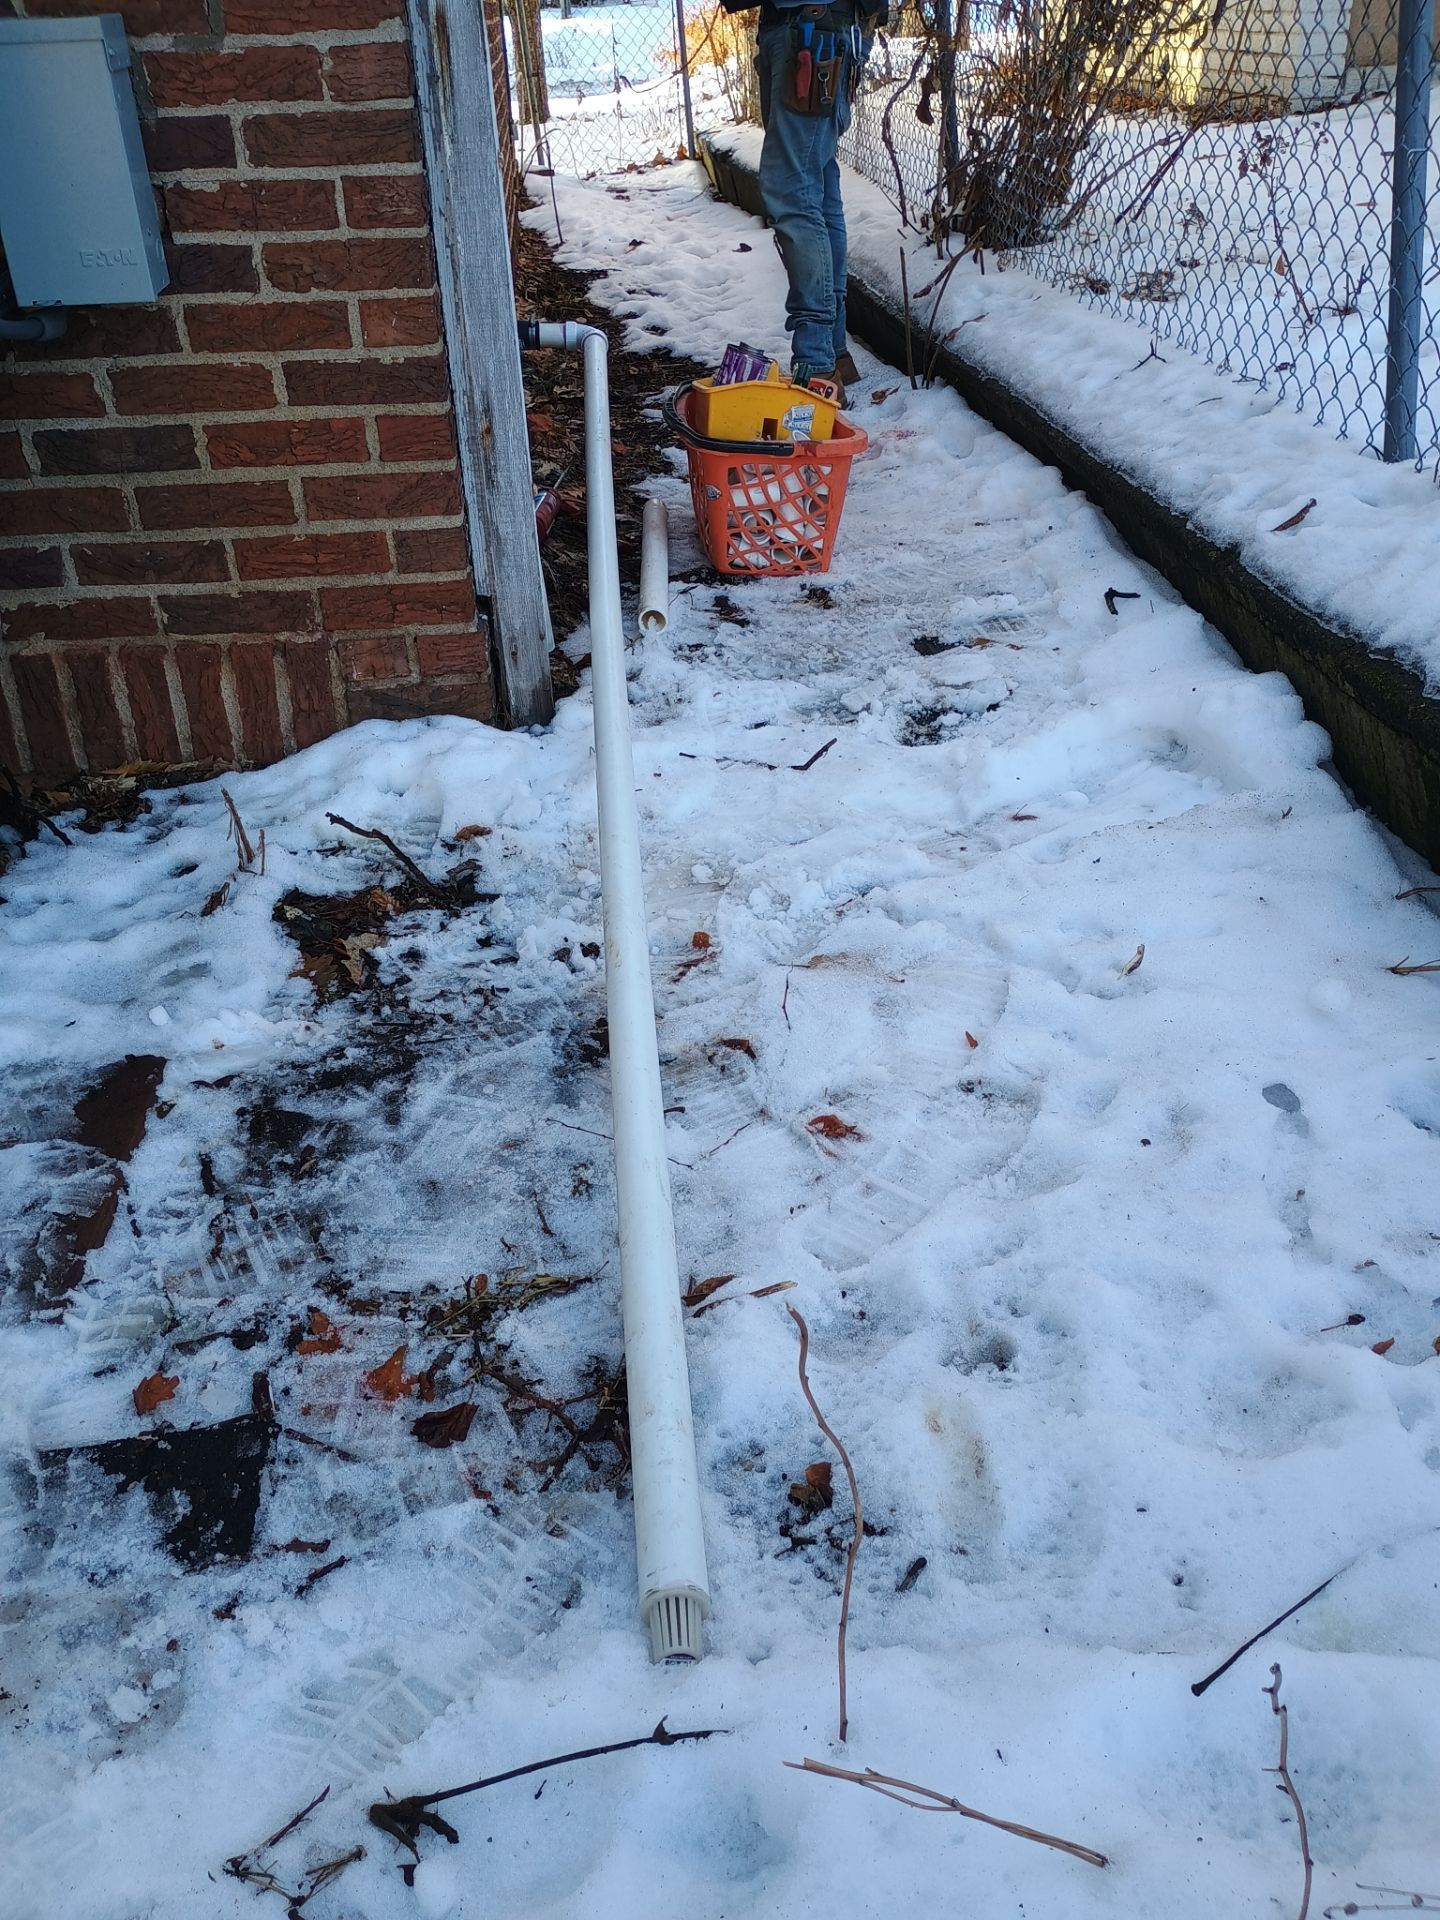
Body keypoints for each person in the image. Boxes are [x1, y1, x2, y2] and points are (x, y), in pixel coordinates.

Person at [754, 0, 882, 397]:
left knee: (794, 192)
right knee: (817, 190)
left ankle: (817, 365)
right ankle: (832, 351)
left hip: (812, 26)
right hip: (816, 25)